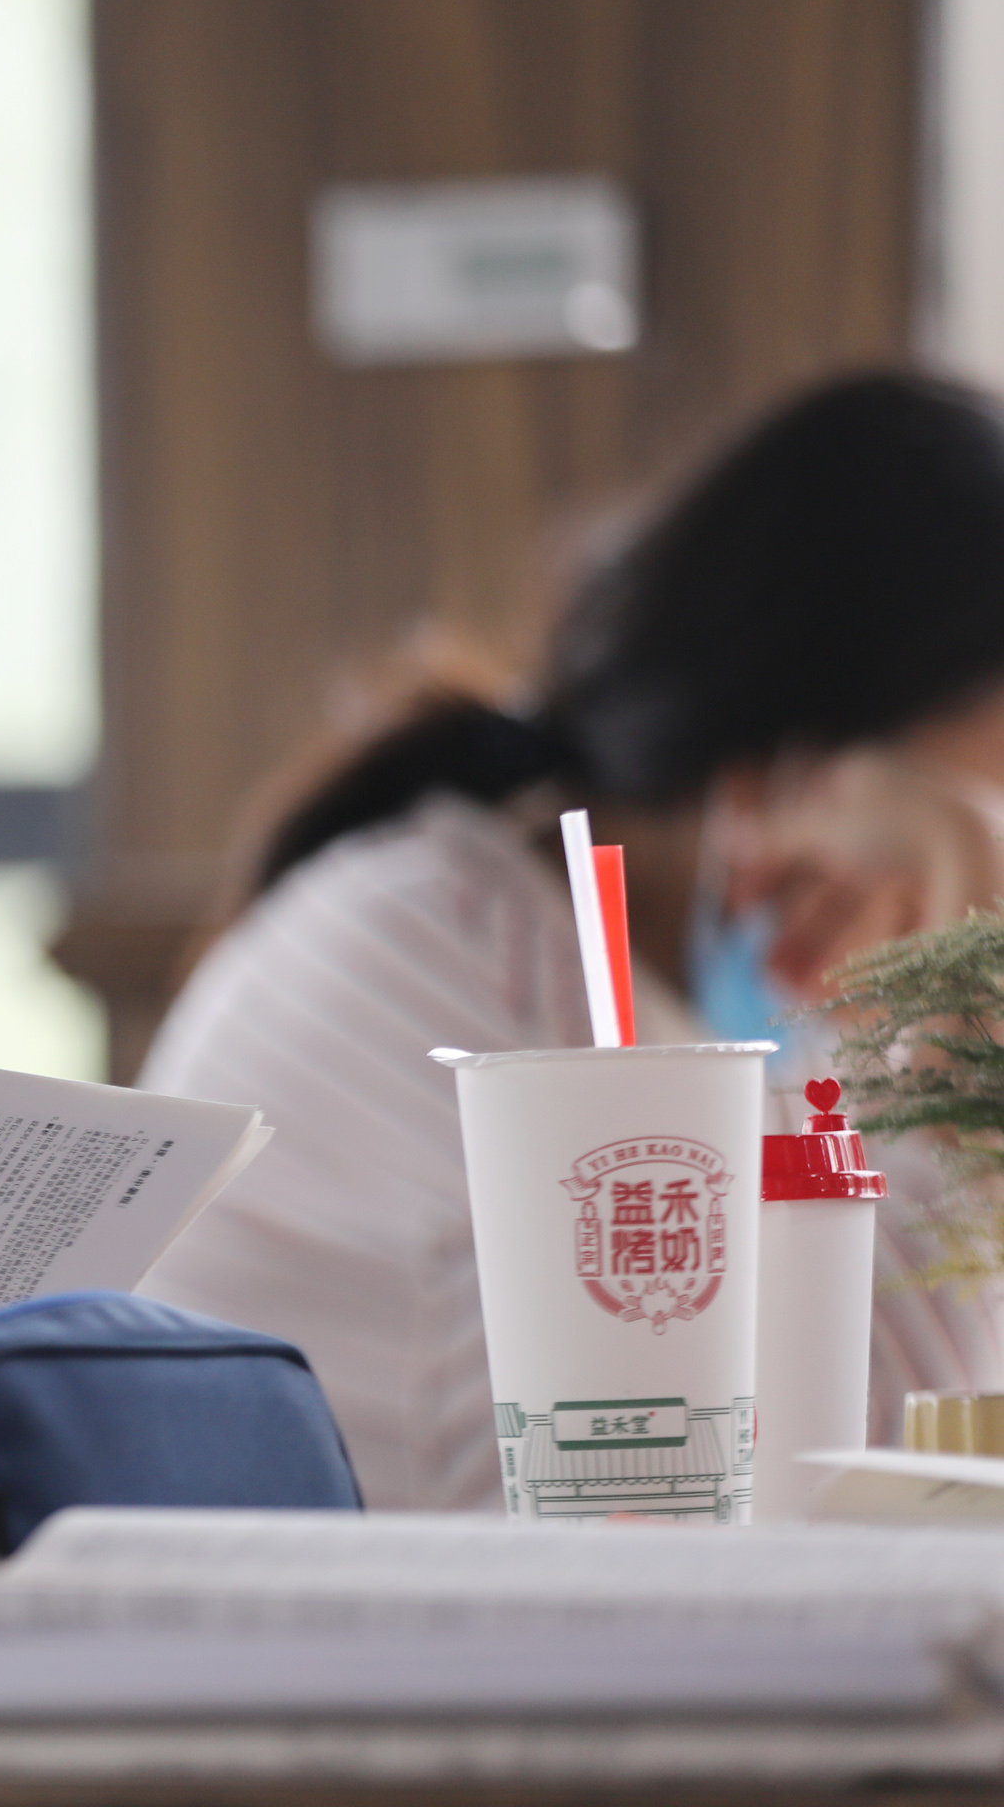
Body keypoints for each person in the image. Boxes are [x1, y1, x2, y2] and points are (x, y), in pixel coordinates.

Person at [137, 371, 1004, 1514]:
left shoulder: (550, 953)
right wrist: (971, 966)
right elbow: (803, 1494)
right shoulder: (460, 956)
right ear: (800, 765)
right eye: (976, 803)